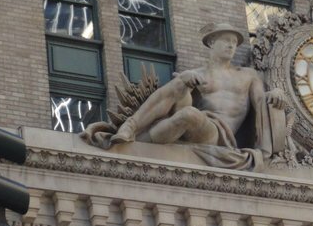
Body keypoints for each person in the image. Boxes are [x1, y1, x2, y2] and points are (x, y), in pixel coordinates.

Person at [106, 23, 276, 158]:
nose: (231, 45)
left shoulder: (248, 75)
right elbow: (179, 97)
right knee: (180, 82)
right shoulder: (198, 74)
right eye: (226, 40)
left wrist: (276, 94)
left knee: (188, 114)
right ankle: (131, 127)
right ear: (211, 42)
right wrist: (187, 80)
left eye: (234, 42)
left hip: (218, 135)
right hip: (196, 120)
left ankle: (139, 143)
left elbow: (261, 101)